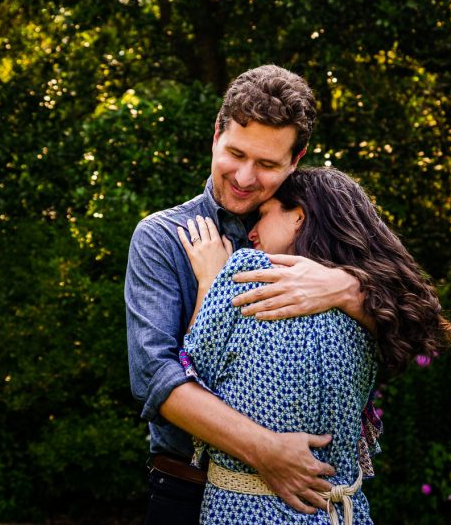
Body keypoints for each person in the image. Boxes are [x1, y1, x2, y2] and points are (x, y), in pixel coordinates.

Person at [125, 66, 371, 524]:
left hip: (314, 494)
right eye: (235, 153)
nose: (244, 176)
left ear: (296, 160)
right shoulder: (162, 237)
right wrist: (265, 451)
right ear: (216, 135)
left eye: (267, 164)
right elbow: (155, 378)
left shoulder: (320, 225)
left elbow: (406, 327)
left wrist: (349, 289)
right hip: (189, 489)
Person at [177, 167, 451, 523]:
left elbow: (194, 373)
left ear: (298, 216)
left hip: (251, 510)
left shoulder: (248, 272)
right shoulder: (373, 303)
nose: (251, 232)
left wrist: (210, 280)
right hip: (341, 511)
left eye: (263, 215)